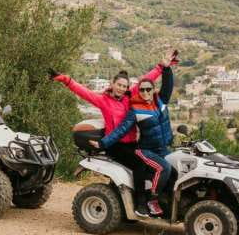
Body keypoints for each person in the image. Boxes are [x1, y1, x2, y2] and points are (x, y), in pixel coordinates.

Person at [50, 57, 165, 207]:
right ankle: (140, 204)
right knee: (139, 166)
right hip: (115, 145)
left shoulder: (128, 97)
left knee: (154, 164)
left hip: (133, 143)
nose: (121, 88)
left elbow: (146, 81)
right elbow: (83, 92)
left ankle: (154, 198)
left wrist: (161, 66)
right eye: (119, 85)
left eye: (124, 86)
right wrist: (66, 79)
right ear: (112, 84)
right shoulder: (103, 100)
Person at [97, 49, 178, 216]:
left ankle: (168, 205)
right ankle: (149, 200)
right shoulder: (135, 109)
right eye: (142, 90)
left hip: (163, 148)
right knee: (165, 169)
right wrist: (102, 143)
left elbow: (168, 86)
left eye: (149, 89)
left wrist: (166, 68)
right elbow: (120, 130)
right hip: (146, 150)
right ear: (137, 92)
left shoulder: (159, 101)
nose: (146, 93)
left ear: (153, 89)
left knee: (175, 173)